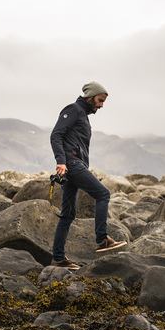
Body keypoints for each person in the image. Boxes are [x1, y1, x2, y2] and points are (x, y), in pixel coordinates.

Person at [48, 81, 127, 270]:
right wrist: (61, 161)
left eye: (103, 102)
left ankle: (58, 259)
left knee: (67, 215)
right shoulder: (73, 109)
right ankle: (102, 239)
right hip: (72, 165)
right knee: (103, 194)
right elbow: (56, 135)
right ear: (90, 97)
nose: (101, 105)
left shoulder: (83, 115)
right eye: (100, 100)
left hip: (74, 166)